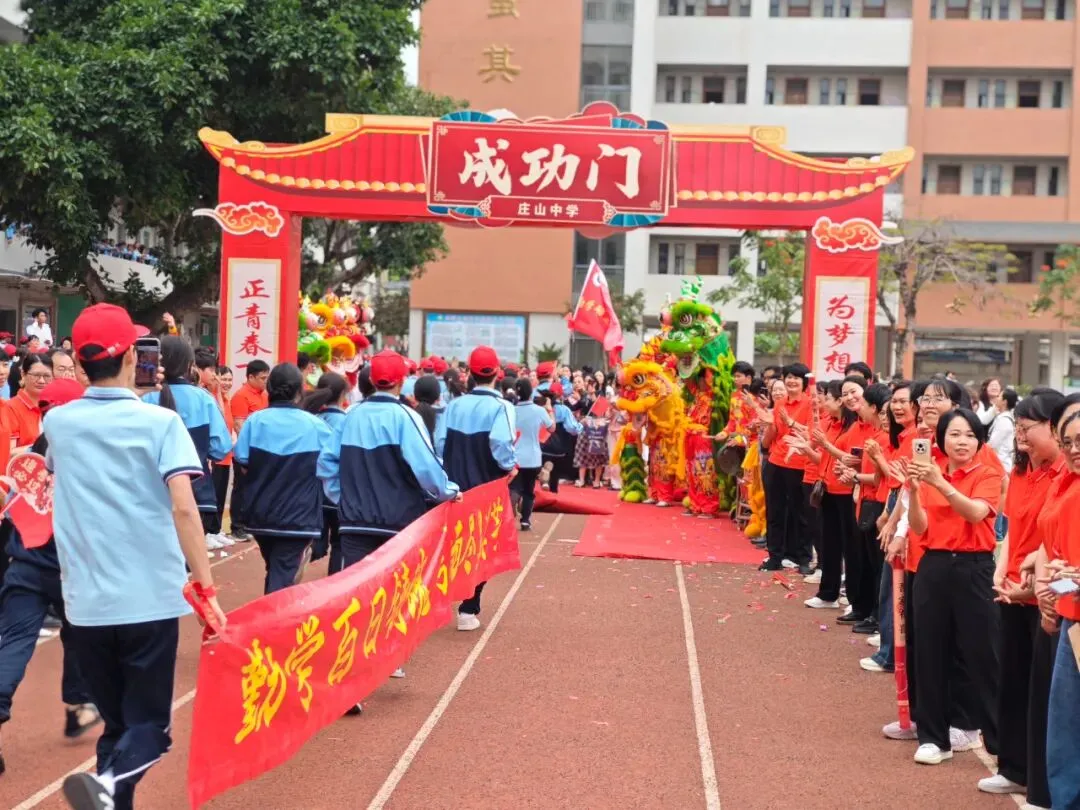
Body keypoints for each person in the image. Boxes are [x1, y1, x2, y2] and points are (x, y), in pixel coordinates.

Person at [46, 303, 226, 810]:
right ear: (133, 357)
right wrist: (206, 586)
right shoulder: (161, 424)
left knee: (118, 728)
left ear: (78, 364)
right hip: (148, 599)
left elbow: (50, 469)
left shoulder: (59, 423)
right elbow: (185, 510)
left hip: (85, 603)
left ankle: (107, 795)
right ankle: (105, 789)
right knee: (151, 730)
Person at [317, 351, 459, 708]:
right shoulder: (405, 417)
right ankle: (383, 658)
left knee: (356, 600)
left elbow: (327, 465)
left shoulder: (350, 417)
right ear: (399, 382)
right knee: (396, 594)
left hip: (354, 521)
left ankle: (352, 678)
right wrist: (448, 492)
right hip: (398, 523)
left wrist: (344, 497)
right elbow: (427, 468)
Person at [0, 379, 100, 780]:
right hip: (72, 571)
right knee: (81, 634)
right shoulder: (91, 460)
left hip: (25, 566)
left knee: (15, 642)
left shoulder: (26, 458)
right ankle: (79, 703)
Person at [906, 408, 1003, 766]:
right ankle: (933, 738)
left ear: (979, 441)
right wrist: (915, 491)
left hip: (974, 567)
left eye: (969, 435)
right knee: (930, 652)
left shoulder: (987, 473)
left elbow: (976, 513)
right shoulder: (930, 473)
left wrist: (940, 484)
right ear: (940, 439)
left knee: (984, 653)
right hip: (933, 565)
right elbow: (919, 527)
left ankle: (998, 742)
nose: (962, 442)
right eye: (954, 435)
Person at [981, 391, 1064, 805]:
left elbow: (1053, 542)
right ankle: (1012, 767)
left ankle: (1041, 779)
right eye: (1017, 427)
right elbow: (1011, 527)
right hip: (1013, 587)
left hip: (1046, 597)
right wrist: (1001, 567)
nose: (1021, 436)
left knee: (1043, 692)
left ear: (1054, 427)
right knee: (1011, 682)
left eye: (1028, 428)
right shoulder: (1019, 471)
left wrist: (1032, 585)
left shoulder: (1063, 475)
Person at [435, 346, 516, 631]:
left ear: (469, 372)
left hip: (455, 487)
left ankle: (445, 601)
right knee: (482, 547)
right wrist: (509, 466)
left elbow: (440, 445)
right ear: (497, 372)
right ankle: (468, 608)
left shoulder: (453, 406)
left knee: (452, 544)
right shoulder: (501, 407)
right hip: (487, 489)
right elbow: (501, 445)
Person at [233, 364, 332, 594]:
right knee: (282, 574)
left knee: (277, 569)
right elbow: (332, 464)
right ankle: (272, 625)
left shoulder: (255, 421)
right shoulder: (316, 426)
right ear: (299, 392)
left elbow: (242, 459)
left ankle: (272, 619)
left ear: (269, 388)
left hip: (261, 514)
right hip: (298, 516)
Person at [142, 338, 232, 551]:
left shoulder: (145, 397)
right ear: (189, 365)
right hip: (196, 492)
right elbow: (220, 448)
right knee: (188, 559)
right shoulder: (203, 398)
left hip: (152, 491)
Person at [1042, 402, 1080, 809]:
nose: (1073, 449)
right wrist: (1052, 577)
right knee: (1065, 735)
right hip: (1073, 622)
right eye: (1067, 442)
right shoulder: (1068, 483)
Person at [760, 363, 812, 573]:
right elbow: (773, 432)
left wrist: (790, 423)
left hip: (799, 464)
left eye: (796, 378)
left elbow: (810, 433)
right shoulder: (780, 402)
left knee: (801, 513)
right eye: (789, 377)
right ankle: (775, 556)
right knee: (775, 511)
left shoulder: (810, 404)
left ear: (803, 383)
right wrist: (767, 427)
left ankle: (803, 558)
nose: (791, 381)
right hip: (776, 462)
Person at [301, 372, 350, 574]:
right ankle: (334, 588)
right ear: (343, 395)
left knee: (311, 542)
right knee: (339, 543)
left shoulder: (310, 417)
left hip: (313, 490)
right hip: (337, 489)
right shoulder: (346, 421)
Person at [227, 359, 270, 542]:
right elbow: (239, 427)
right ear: (250, 377)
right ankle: (237, 526)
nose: (265, 381)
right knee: (241, 489)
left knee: (255, 488)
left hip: (262, 451)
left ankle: (250, 523)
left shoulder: (265, 395)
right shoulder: (241, 396)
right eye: (262, 378)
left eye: (267, 378)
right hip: (247, 451)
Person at [512, 377, 555, 531]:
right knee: (529, 491)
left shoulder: (512, 410)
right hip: (533, 457)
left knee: (515, 487)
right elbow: (551, 428)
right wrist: (550, 409)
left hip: (515, 456)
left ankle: (512, 507)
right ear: (531, 392)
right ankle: (525, 520)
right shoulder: (539, 410)